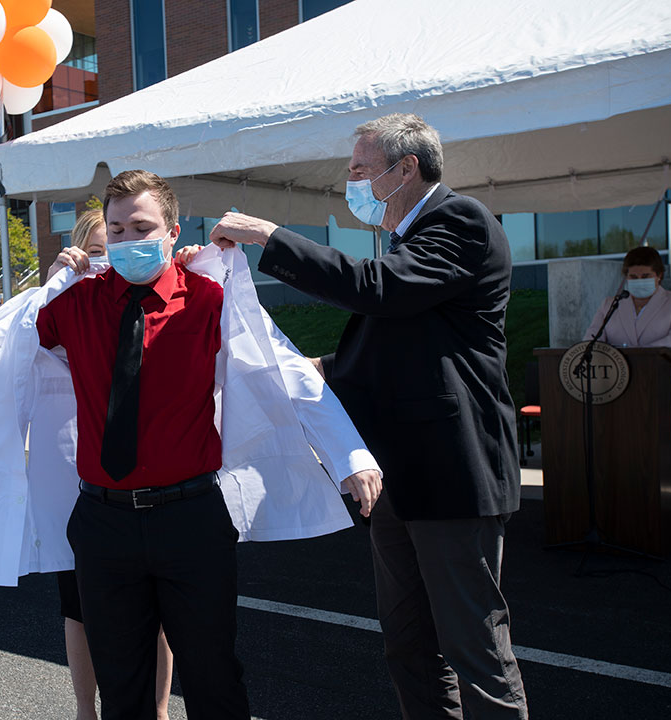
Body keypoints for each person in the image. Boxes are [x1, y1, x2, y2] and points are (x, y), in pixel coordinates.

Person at [0, 170, 381, 720]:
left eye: (142, 227)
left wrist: (349, 454)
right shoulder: (75, 302)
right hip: (104, 525)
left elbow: (285, 368)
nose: (127, 240)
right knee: (123, 687)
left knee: (213, 677)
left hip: (192, 519)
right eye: (116, 229)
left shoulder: (207, 299)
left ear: (172, 231)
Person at [211, 113, 529, 719]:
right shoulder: (410, 244)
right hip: (396, 480)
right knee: (409, 645)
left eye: (359, 170)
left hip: (452, 476)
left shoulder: (458, 222)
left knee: (474, 648)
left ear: (405, 169)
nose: (350, 182)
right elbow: (393, 353)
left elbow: (377, 289)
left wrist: (267, 236)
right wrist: (306, 369)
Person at [48, 209, 175, 720]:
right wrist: (58, 282)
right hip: (76, 479)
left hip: (149, 483)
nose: (113, 258)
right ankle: (85, 709)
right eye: (100, 250)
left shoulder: (146, 301)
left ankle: (160, 709)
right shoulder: (68, 305)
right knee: (79, 608)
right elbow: (4, 338)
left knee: (159, 613)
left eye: (123, 243)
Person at [583, 245, 671, 347]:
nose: (639, 281)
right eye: (633, 277)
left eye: (645, 276)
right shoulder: (609, 305)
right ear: (626, 277)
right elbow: (591, 340)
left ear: (659, 275)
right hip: (615, 363)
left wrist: (639, 355)